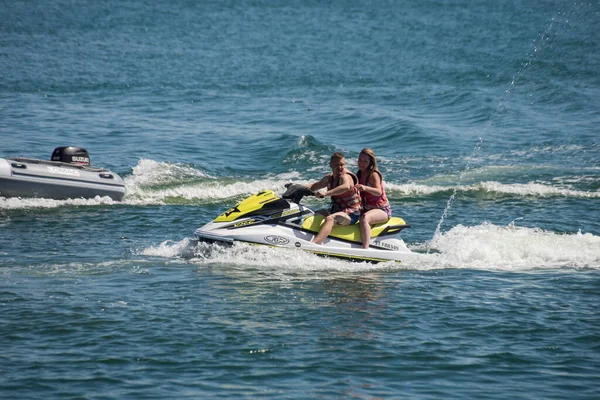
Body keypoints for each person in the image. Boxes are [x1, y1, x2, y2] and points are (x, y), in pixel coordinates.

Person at [308, 152, 362, 245]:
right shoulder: (329, 178)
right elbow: (314, 186)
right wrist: (297, 187)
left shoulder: (346, 176)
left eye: (342, 165)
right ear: (330, 165)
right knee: (313, 213)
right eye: (337, 165)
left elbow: (345, 187)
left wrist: (325, 193)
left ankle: (314, 244)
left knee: (330, 219)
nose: (340, 167)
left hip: (352, 213)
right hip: (337, 210)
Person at [356, 148, 392, 249]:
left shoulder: (373, 174)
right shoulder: (359, 174)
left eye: (365, 161)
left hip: (382, 210)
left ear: (370, 162)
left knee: (365, 219)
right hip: (367, 208)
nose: (361, 163)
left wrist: (365, 187)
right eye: (360, 160)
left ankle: (365, 249)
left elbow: (378, 191)